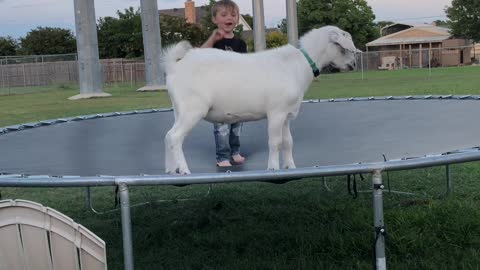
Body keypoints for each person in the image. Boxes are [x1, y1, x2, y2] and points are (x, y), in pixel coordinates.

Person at [201, 0, 247, 167]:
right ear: (215, 19)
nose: (229, 18)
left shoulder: (241, 43)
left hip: (236, 92)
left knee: (236, 126)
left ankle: (235, 152)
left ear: (237, 19)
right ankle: (222, 157)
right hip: (219, 93)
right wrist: (212, 39)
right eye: (224, 15)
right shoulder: (214, 42)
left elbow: (244, 66)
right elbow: (199, 56)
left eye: (233, 15)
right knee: (222, 127)